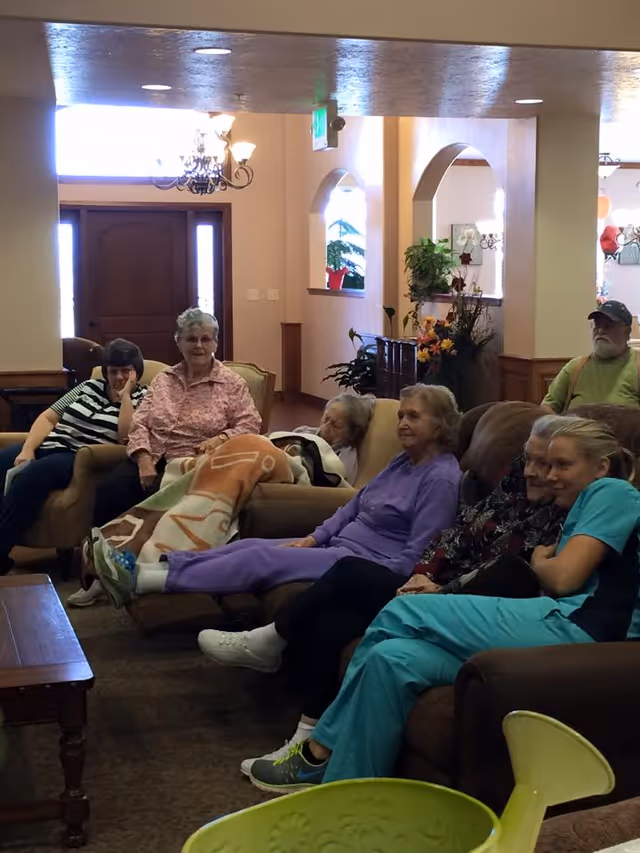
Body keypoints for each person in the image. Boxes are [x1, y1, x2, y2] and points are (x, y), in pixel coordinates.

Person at [248, 416, 640, 793]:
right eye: (546, 464)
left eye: (562, 465)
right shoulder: (582, 499)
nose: (550, 476)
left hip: (576, 626)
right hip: (555, 618)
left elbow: (566, 577)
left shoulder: (612, 491)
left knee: (403, 610)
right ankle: (348, 791)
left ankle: (319, 749)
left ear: (602, 465)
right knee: (392, 659)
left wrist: (541, 561)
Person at [198, 414, 566, 777]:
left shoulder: (557, 518)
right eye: (529, 458)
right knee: (334, 619)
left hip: (463, 605)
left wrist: (440, 588)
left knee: (350, 571)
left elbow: (506, 577)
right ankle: (306, 739)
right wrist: (423, 573)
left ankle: (272, 641)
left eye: (547, 463)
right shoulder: (515, 482)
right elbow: (455, 537)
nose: (533, 470)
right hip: (429, 583)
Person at [89, 385, 463, 612]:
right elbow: (353, 505)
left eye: (413, 417)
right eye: (400, 415)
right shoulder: (403, 461)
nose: (402, 424)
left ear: (440, 425)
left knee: (261, 557)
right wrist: (315, 538)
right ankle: (148, 568)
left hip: (367, 563)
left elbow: (419, 553)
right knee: (248, 544)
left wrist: (377, 577)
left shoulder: (442, 479)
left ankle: (139, 581)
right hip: (340, 546)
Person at [68, 307, 261, 607]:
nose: (198, 346)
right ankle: (99, 576)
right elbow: (140, 422)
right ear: (178, 341)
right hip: (153, 456)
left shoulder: (232, 384)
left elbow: (250, 424)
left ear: (215, 343)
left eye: (205, 339)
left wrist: (220, 439)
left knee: (165, 509)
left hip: (192, 463)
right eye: (191, 339)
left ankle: (149, 576)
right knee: (109, 492)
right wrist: (144, 459)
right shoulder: (165, 379)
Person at [0, 339, 145, 576]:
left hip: (74, 456)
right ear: (105, 371)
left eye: (125, 371)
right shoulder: (87, 387)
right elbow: (49, 418)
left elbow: (126, 438)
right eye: (113, 371)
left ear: (136, 373)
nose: (118, 377)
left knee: (28, 480)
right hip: (48, 444)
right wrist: (28, 449)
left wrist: (126, 397)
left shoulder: (144, 398)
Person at [542, 300, 640, 413]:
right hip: (574, 430)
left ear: (627, 332)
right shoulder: (575, 367)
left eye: (608, 326)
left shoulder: (637, 366)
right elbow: (548, 406)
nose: (600, 330)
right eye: (597, 325)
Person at [289, 393, 374, 485]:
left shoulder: (346, 458)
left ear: (352, 432)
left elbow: (341, 490)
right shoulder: (303, 431)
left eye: (335, 425)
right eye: (326, 419)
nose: (326, 427)